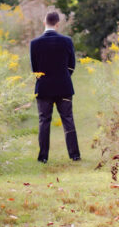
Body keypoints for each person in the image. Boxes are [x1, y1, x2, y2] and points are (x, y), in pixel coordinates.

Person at [30, 10, 81, 163]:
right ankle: (74, 155)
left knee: (44, 121)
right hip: (64, 87)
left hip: (44, 88)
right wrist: (63, 77)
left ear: (44, 22)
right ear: (58, 24)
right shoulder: (67, 41)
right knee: (68, 119)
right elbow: (72, 64)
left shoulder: (35, 43)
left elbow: (35, 69)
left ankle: (43, 156)